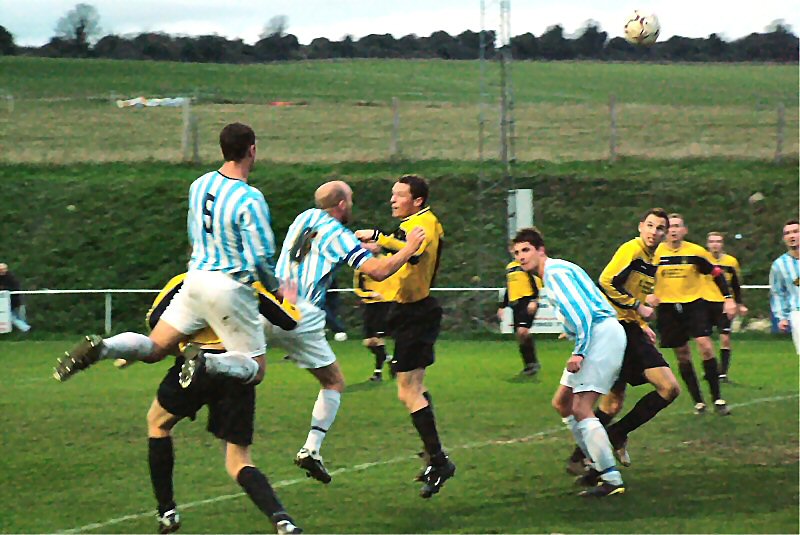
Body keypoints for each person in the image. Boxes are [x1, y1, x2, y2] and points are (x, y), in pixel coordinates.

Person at [53, 122, 302, 534]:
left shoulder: (199, 183)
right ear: (252, 150)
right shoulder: (251, 198)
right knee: (255, 368)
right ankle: (209, 364)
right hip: (227, 286)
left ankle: (106, 347)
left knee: (155, 346)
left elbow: (193, 233)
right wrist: (277, 288)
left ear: (222, 148)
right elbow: (259, 257)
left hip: (196, 278)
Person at [271, 180, 425, 485]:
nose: (351, 205)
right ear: (341, 204)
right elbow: (378, 271)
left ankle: (211, 361)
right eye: (350, 200)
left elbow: (314, 250)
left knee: (248, 364)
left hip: (273, 302)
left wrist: (367, 244)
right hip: (302, 313)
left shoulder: (304, 218)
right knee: (334, 381)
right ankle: (311, 449)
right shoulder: (337, 234)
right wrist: (408, 248)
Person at [356, 174, 455, 499]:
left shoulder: (423, 223)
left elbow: (413, 254)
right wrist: (379, 247)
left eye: (399, 195)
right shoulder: (413, 223)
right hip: (408, 311)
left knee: (406, 390)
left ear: (418, 200)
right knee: (416, 387)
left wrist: (381, 238)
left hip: (417, 313)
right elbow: (404, 258)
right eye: (393, 195)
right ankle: (433, 456)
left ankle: (439, 460)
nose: (392, 200)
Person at [512, 227, 626, 498]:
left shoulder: (555, 274)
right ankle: (597, 465)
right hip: (597, 334)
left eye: (526, 250)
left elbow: (586, 315)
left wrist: (580, 351)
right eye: (516, 253)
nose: (521, 257)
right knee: (562, 403)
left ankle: (610, 478)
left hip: (600, 336)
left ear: (541, 250)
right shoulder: (556, 271)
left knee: (581, 407)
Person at [566, 208, 681, 474]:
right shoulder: (632, 249)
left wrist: (641, 323)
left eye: (659, 228)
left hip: (629, 329)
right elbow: (607, 281)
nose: (654, 232)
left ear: (665, 233)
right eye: (650, 226)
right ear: (641, 226)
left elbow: (629, 289)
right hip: (615, 330)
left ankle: (593, 448)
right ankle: (605, 442)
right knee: (663, 389)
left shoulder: (653, 259)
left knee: (618, 401)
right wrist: (638, 308)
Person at [653, 213, 736, 416]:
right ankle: (698, 401)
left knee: (705, 346)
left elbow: (716, 273)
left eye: (677, 226)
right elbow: (643, 277)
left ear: (684, 230)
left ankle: (717, 397)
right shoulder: (655, 253)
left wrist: (728, 297)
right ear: (664, 231)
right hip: (667, 308)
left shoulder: (696, 252)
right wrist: (647, 295)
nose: (673, 230)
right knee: (682, 355)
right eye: (669, 227)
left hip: (694, 305)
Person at [704, 231, 748, 382]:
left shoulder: (730, 262)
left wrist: (739, 303)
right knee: (705, 340)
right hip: (705, 304)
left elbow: (736, 284)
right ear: (707, 244)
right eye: (712, 241)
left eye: (718, 241)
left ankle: (722, 373)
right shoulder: (703, 259)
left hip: (724, 304)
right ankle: (710, 371)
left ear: (722, 244)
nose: (715, 244)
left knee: (725, 338)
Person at [353, 241, 399, 382]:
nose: (372, 246)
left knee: (380, 338)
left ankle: (377, 373)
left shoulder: (390, 261)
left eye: (374, 243)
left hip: (388, 304)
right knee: (369, 342)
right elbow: (358, 288)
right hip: (371, 306)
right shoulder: (361, 267)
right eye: (368, 244)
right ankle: (390, 360)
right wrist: (369, 295)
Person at [496, 243, 543, 375]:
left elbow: (535, 282)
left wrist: (535, 300)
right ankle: (528, 365)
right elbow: (509, 287)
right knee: (520, 335)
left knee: (523, 331)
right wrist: (502, 306)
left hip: (527, 300)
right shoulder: (510, 267)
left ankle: (533, 363)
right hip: (515, 304)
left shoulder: (526, 264)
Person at [769, 219, 800, 354]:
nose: (791, 236)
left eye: (795, 232)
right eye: (787, 233)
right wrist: (781, 317)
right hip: (797, 312)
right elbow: (777, 292)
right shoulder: (778, 265)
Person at [0, 263, 31, 332]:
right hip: (4, 303)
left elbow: (16, 288)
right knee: (10, 317)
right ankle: (26, 329)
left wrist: (4, 288)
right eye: (0, 270)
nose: (2, 271)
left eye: (3, 269)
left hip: (16, 301)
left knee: (21, 318)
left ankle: (26, 332)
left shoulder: (11, 277)